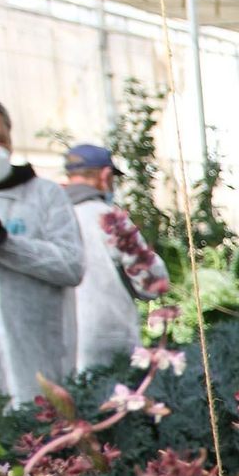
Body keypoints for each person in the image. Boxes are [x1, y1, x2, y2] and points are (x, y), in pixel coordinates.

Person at [0, 98, 84, 405]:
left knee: (42, 423)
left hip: (41, 362)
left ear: (11, 139)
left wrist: (3, 244)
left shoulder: (46, 195)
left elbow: (71, 266)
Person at [63, 143, 169, 371]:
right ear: (105, 175)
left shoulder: (50, 216)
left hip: (61, 343)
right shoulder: (110, 219)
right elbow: (152, 282)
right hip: (108, 343)